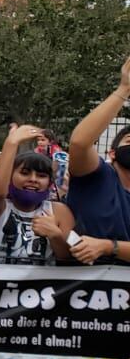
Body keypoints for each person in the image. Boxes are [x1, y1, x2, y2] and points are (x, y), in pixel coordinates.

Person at [64, 54, 130, 264]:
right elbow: (79, 144)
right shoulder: (97, 176)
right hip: (80, 291)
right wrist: (124, 89)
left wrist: (108, 247)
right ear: (112, 153)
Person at [0, 125, 75, 264]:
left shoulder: (60, 212)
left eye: (41, 175)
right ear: (10, 176)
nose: (33, 179)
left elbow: (70, 259)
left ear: (49, 182)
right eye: (24, 173)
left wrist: (55, 235)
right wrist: (11, 143)